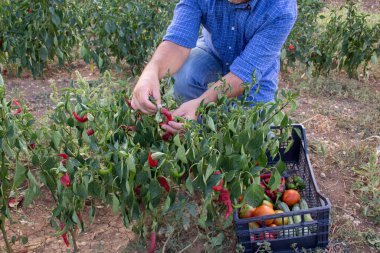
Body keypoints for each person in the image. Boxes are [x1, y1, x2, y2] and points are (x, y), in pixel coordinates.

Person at [131, 0, 297, 133]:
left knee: (253, 135)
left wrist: (201, 104)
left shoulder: (281, 7)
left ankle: (199, 118)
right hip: (214, 52)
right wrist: (151, 72)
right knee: (187, 73)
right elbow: (178, 41)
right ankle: (193, 127)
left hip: (255, 74)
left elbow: (245, 73)